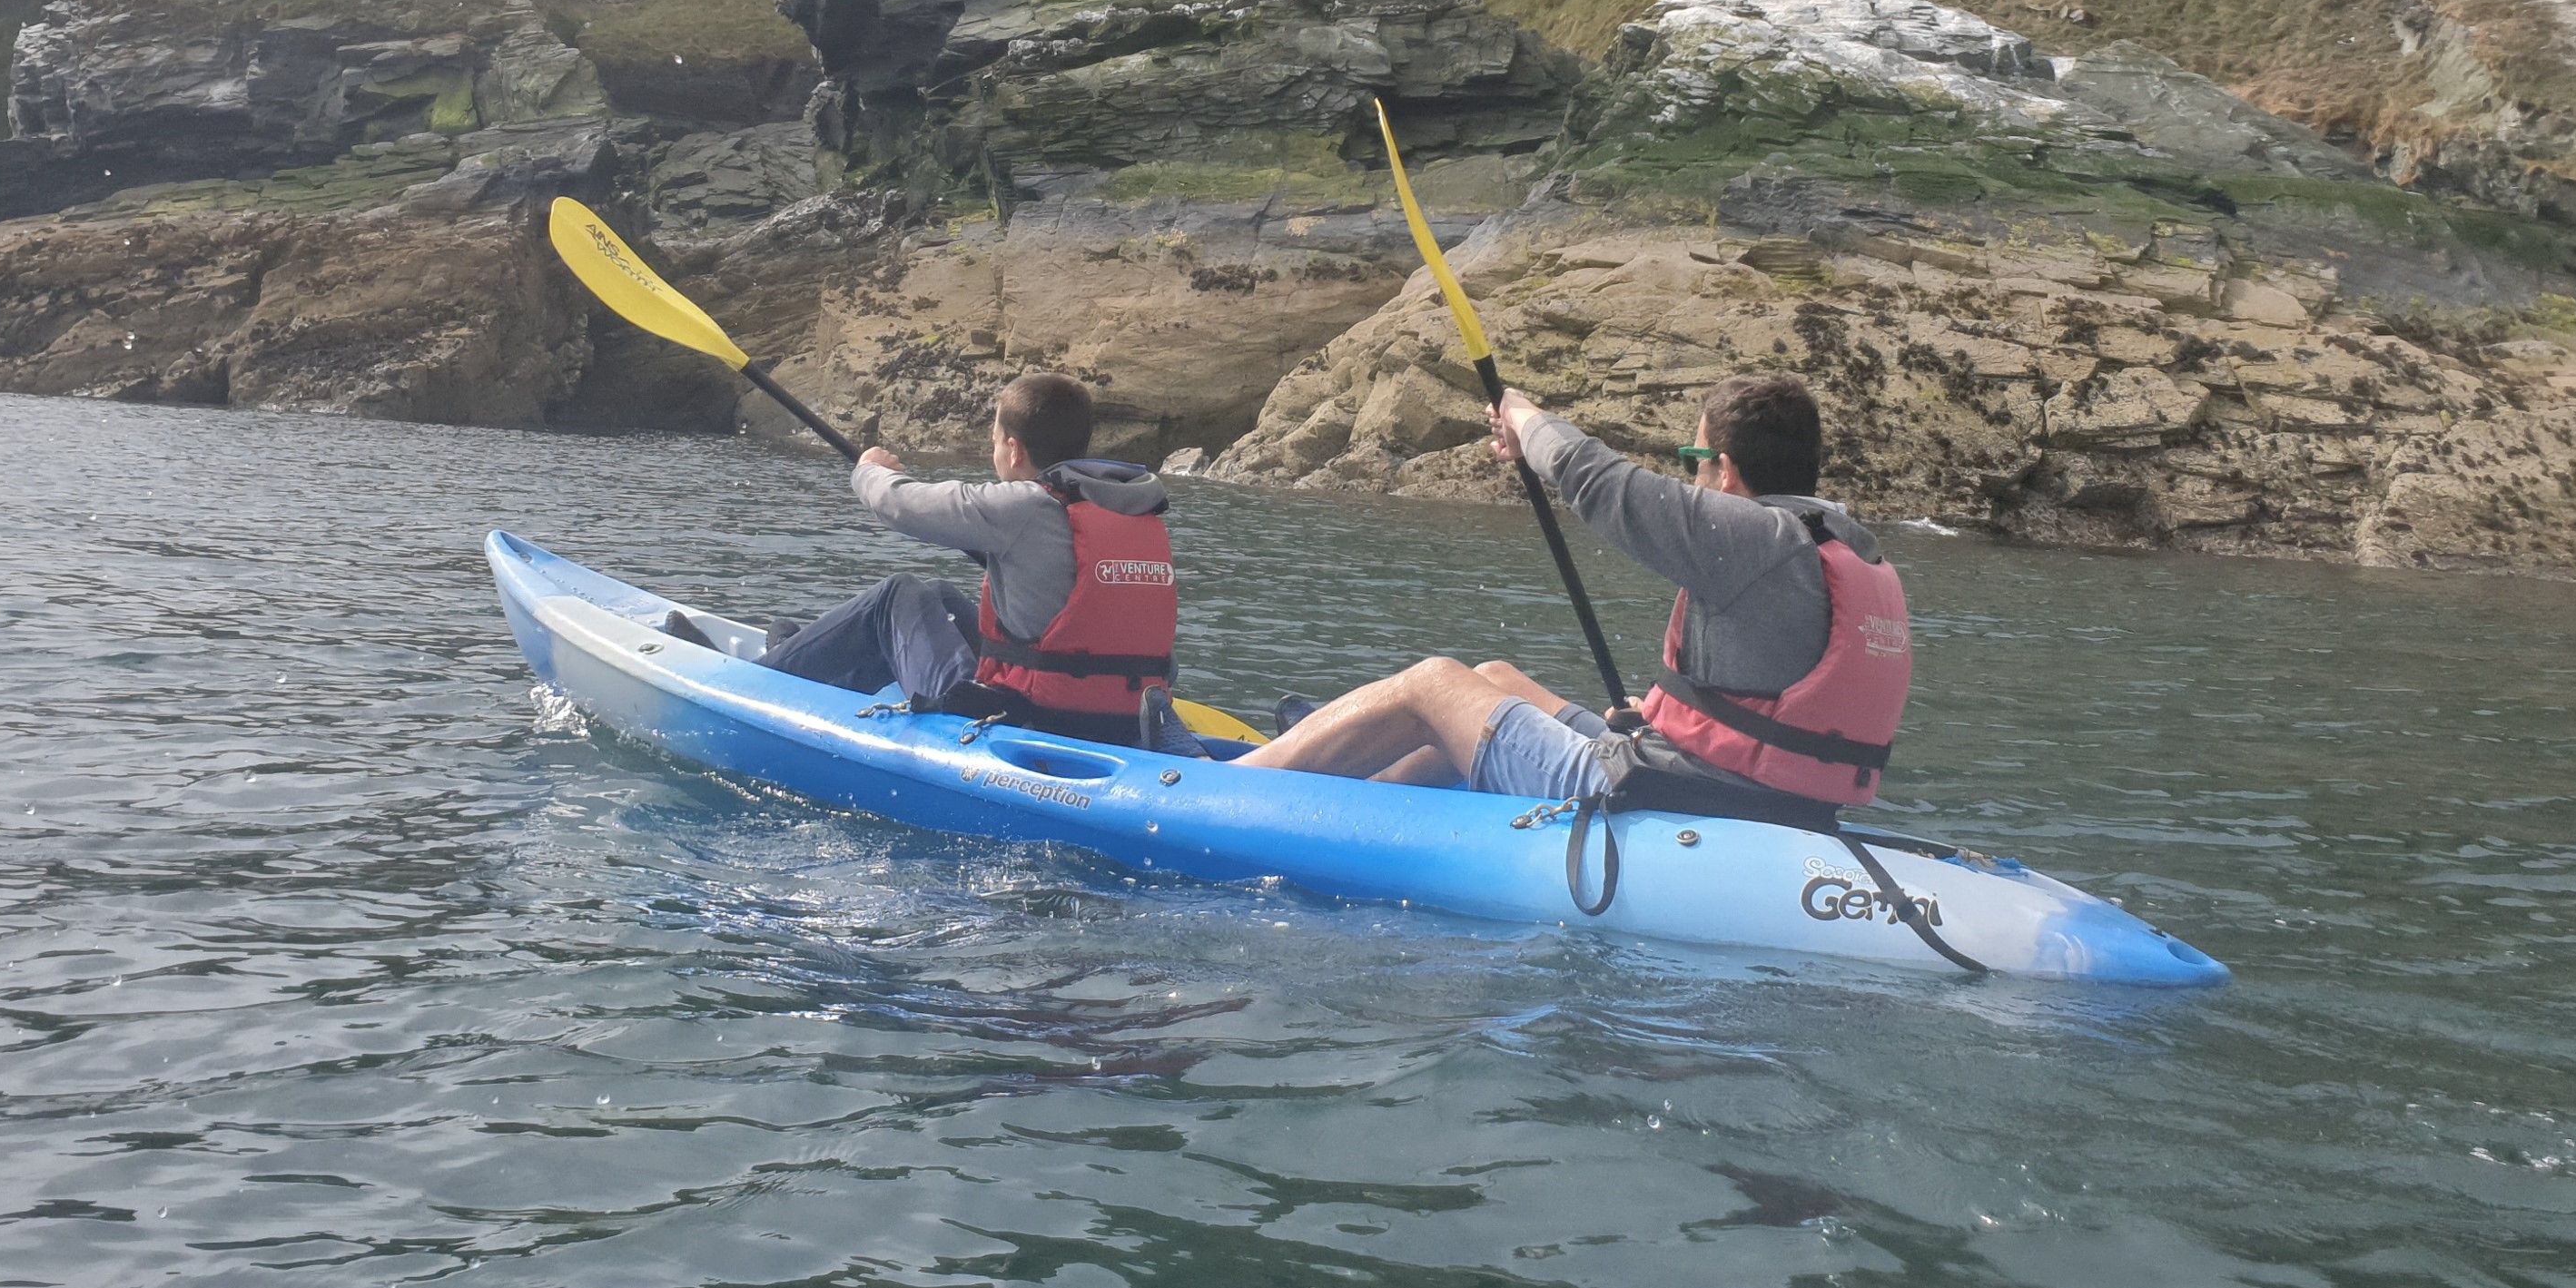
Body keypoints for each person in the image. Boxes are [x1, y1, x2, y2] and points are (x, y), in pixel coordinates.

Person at [1232, 372, 1911, 821]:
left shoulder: (1755, 537)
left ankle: (1231, 787)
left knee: (1433, 685)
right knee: (1494, 680)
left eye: (1692, 460)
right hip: (1751, 787)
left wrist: (1524, 417)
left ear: (1726, 473)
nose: (1690, 476)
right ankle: (1346, 813)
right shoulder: (1842, 543)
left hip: (1687, 794)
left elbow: (1600, 481)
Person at [759, 372, 1179, 748]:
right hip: (1121, 717)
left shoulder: (1023, 506)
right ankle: (806, 656)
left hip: (1031, 720)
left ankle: (768, 674)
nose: (993, 450)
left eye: (994, 440)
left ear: (1014, 451)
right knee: (939, 597)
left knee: (897, 597)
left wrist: (868, 469)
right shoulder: (1133, 510)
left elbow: (900, 502)